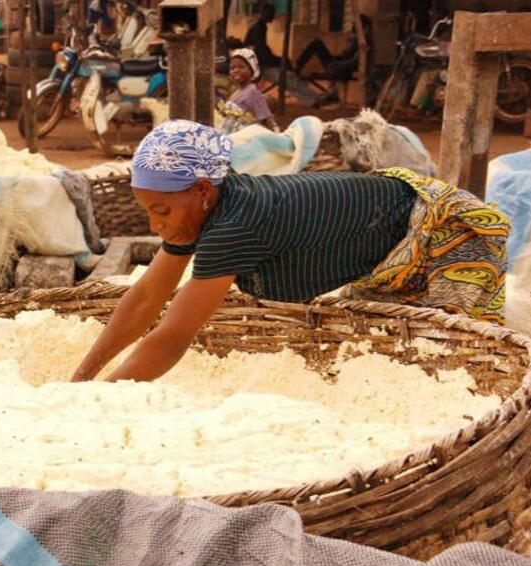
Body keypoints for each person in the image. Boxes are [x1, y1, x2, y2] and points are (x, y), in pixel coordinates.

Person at [71, 120, 510, 383]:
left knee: (454, 356)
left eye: (161, 210)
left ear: (203, 188)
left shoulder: (234, 225)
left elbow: (170, 338)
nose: (155, 225)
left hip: (442, 231)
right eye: (148, 211)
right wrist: (81, 379)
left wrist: (100, 401)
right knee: (392, 348)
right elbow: (147, 297)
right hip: (387, 241)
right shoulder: (201, 210)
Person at [241, 3, 321, 107]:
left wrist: (280, 60)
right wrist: (279, 61)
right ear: (263, 13)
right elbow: (261, 54)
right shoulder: (258, 28)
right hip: (261, 67)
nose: (272, 16)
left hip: (262, 65)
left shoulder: (261, 27)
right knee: (287, 78)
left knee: (290, 78)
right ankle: (314, 99)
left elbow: (263, 51)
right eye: (270, 13)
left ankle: (314, 98)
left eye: (272, 13)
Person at [295, 15, 371, 105]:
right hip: (338, 63)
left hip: (343, 67)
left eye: (355, 25)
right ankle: (297, 66)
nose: (352, 27)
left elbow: (355, 62)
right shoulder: (355, 39)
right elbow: (345, 55)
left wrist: (338, 64)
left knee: (317, 45)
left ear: (363, 27)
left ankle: (297, 67)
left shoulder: (364, 42)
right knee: (316, 43)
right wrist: (338, 58)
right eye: (353, 24)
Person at [223, 47, 280, 132]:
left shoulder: (252, 91)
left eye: (241, 67)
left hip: (242, 138)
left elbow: (265, 117)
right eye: (232, 68)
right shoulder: (236, 92)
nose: (236, 70)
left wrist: (275, 137)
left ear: (252, 70)